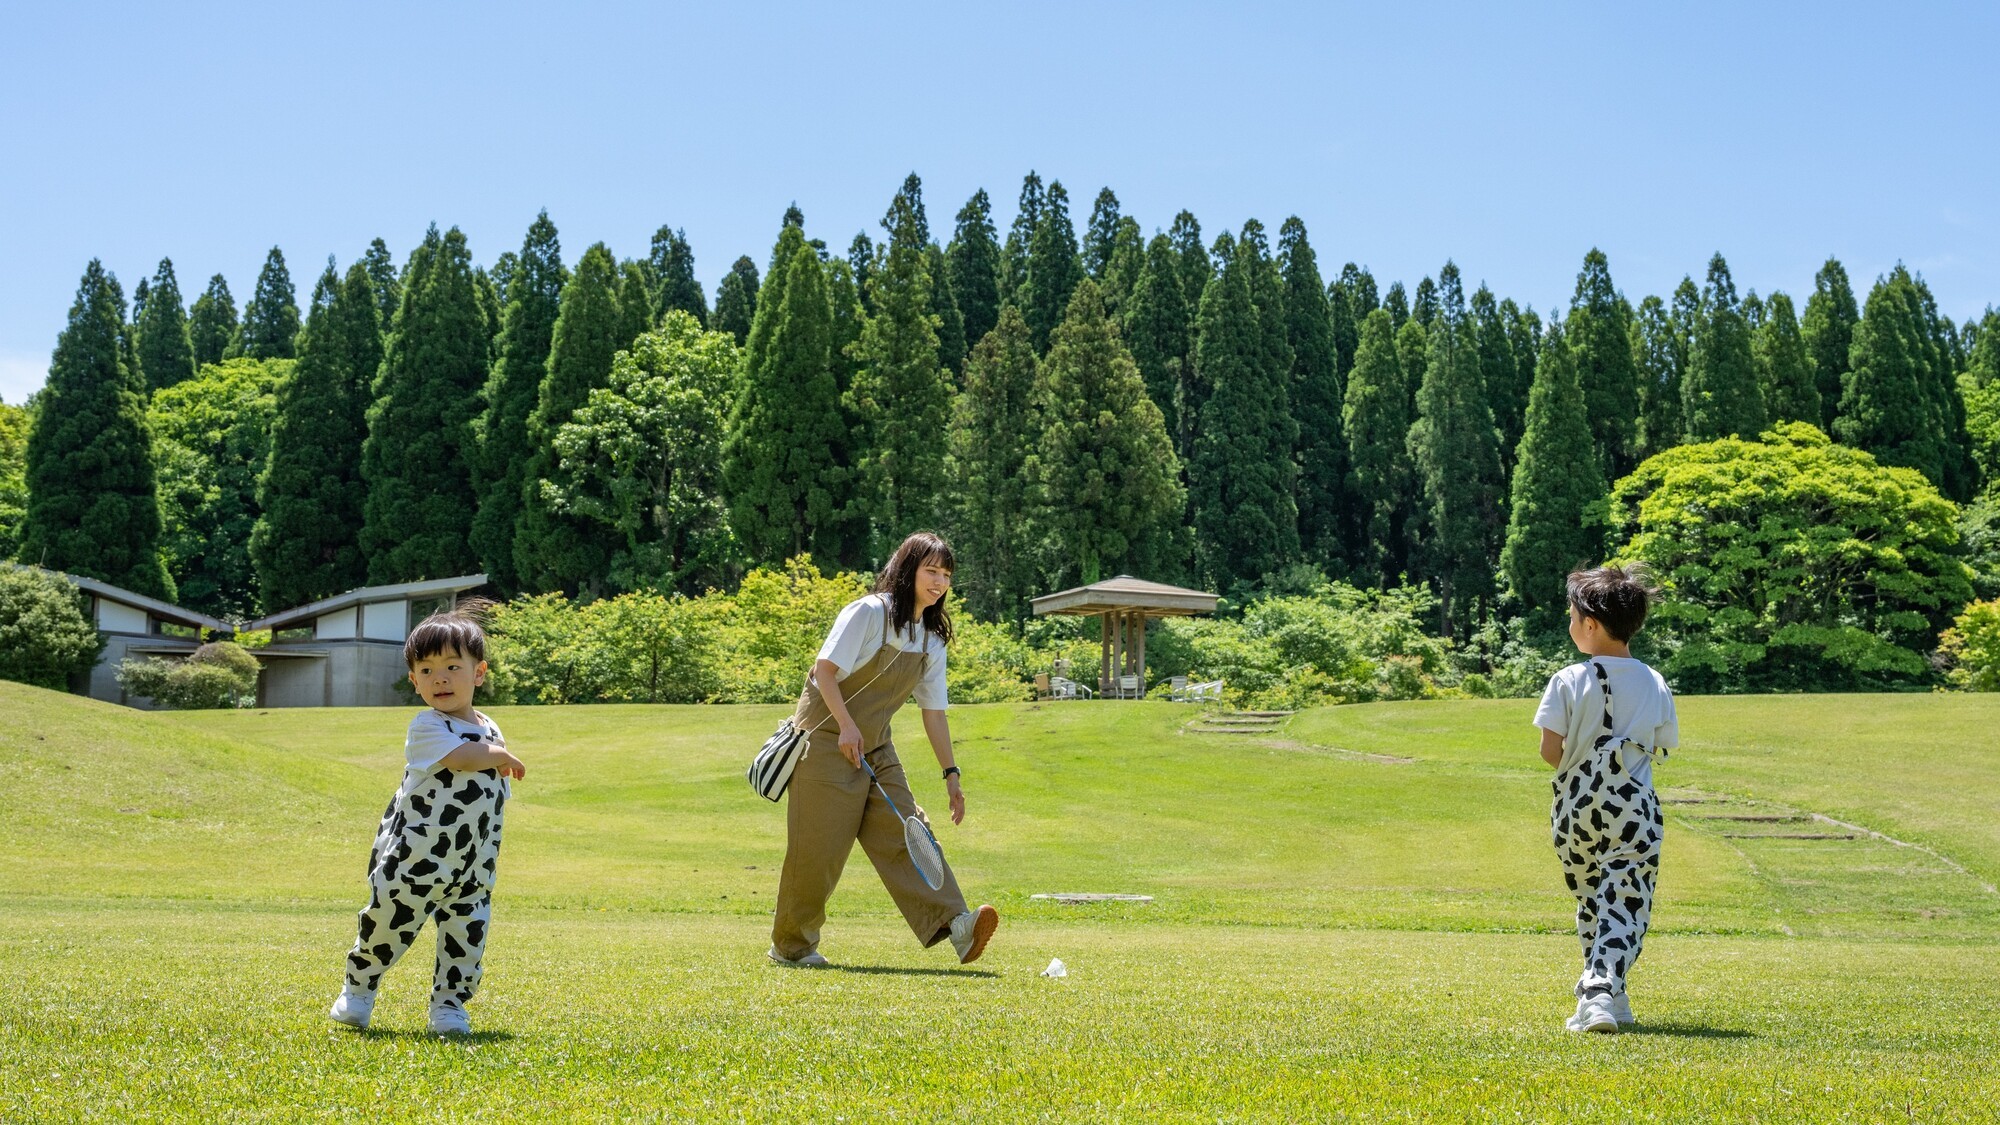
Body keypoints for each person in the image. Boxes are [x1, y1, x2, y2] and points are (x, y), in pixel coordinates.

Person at [769, 531, 999, 968]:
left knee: (910, 833)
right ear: (908, 569)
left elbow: (934, 712)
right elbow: (824, 671)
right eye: (931, 570)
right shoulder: (868, 612)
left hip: (876, 747)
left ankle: (958, 927)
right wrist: (846, 727)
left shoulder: (931, 638)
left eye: (946, 574)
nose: (939, 582)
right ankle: (791, 947)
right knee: (819, 852)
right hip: (822, 741)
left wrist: (952, 775)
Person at [329, 605, 525, 1034]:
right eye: (427, 668)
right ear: (415, 681)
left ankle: (449, 1006)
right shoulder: (427, 727)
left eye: (453, 666)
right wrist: (500, 756)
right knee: (386, 926)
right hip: (415, 860)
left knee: (467, 938)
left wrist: (498, 750)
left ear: (478, 673)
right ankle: (358, 991)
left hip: (474, 864)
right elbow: (464, 758)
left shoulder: (491, 727)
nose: (440, 677)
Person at [1533, 564, 1678, 1034]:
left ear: (1590, 624)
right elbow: (1663, 742)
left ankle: (1608, 996)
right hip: (1632, 807)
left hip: (1575, 810)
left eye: (1572, 616)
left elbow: (1549, 752)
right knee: (1626, 897)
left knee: (1594, 901)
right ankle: (1601, 991)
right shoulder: (1654, 681)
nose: (1570, 623)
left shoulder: (1568, 679)